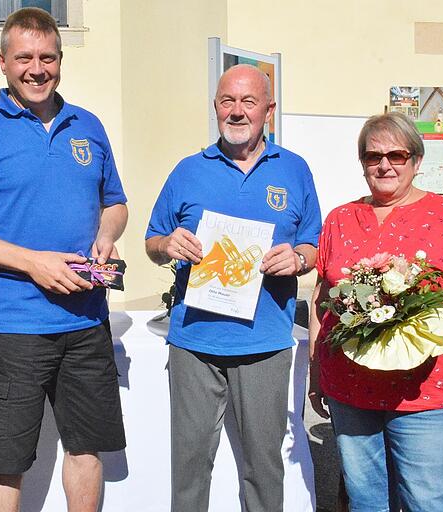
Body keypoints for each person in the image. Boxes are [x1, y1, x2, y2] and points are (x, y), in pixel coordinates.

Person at [0, 8, 127, 512]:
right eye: (24, 58)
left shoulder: (89, 125)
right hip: (14, 324)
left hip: (87, 320)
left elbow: (115, 203)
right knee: (6, 458)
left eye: (47, 58)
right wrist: (32, 263)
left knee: (85, 447)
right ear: (2, 62)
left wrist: (107, 233)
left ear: (60, 60)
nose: (36, 69)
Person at [145, 64, 321, 512]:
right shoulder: (187, 171)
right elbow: (152, 242)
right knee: (189, 469)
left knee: (263, 470)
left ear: (269, 110)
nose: (237, 111)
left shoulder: (295, 170)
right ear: (215, 107)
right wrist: (168, 243)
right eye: (228, 101)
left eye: (248, 102)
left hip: (264, 345)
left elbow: (315, 245)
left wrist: (298, 259)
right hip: (194, 345)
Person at [308, 111, 443, 511]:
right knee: (365, 499)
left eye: (397, 155)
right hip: (351, 388)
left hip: (427, 389)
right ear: (363, 164)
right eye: (373, 157)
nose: (384, 165)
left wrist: (415, 324)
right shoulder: (340, 219)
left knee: (429, 501)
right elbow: (323, 299)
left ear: (417, 161)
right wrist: (316, 370)